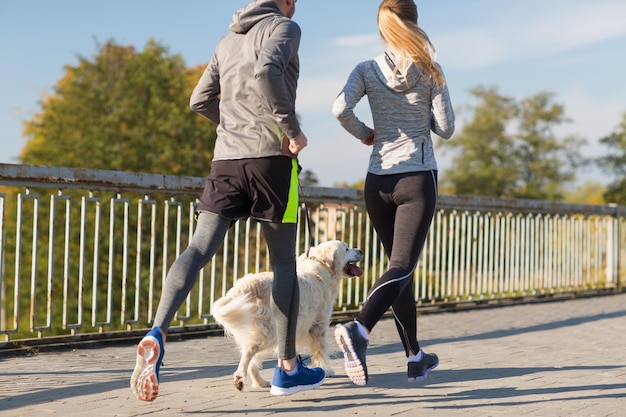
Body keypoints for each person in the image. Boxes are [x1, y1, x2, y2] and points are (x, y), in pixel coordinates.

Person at [130, 0, 325, 401]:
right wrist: (290, 130)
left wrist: (234, 126)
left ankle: (156, 332)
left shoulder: (227, 38)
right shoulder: (285, 28)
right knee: (284, 264)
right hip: (271, 161)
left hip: (226, 162)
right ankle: (287, 368)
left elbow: (199, 99)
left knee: (198, 248)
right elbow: (269, 70)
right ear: (286, 1)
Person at [331, 0, 455, 386]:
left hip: (377, 180)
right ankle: (359, 330)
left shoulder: (365, 69)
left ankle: (415, 357)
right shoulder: (431, 70)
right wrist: (423, 116)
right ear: (414, 24)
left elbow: (339, 108)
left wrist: (367, 133)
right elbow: (447, 128)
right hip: (416, 179)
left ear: (384, 29)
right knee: (402, 268)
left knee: (397, 271)